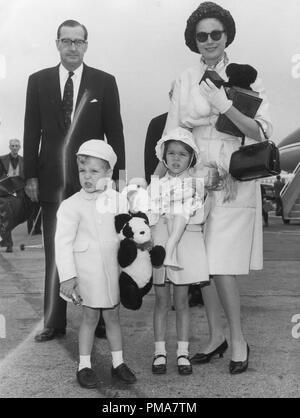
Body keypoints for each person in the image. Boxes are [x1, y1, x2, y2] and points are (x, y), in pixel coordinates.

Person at [159, 2, 273, 374]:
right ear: (194, 40)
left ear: (227, 36)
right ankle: (215, 336)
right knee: (200, 264)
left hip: (233, 177)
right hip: (195, 178)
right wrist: (160, 182)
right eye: (201, 35)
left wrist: (225, 104)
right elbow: (173, 133)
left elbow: (261, 131)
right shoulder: (184, 78)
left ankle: (238, 339)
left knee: (222, 265)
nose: (208, 41)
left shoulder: (246, 76)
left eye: (215, 34)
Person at [23, 20, 125, 342]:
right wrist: (30, 176)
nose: (72, 47)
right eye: (66, 41)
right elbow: (30, 132)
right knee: (56, 251)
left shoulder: (104, 82)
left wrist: (118, 179)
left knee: (99, 250)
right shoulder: (37, 81)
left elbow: (116, 132)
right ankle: (54, 321)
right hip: (52, 181)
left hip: (93, 183)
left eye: (78, 41)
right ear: (57, 44)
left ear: (86, 45)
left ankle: (99, 320)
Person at [55, 140, 135, 388]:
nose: (87, 177)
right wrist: (68, 277)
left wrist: (134, 269)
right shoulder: (70, 205)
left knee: (113, 316)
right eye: (82, 171)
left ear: (109, 173)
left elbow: (128, 234)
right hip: (86, 273)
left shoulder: (119, 201)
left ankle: (118, 362)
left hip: (112, 270)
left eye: (94, 171)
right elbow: (63, 243)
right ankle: (84, 365)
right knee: (89, 318)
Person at [150, 127, 211, 376]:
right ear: (163, 156)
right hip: (161, 247)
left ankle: (183, 352)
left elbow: (198, 216)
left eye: (182, 154)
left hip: (184, 248)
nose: (176, 158)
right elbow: (150, 215)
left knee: (182, 301)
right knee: (161, 301)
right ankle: (159, 351)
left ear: (191, 158)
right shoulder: (156, 185)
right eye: (171, 153)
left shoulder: (196, 185)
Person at [144, 82, 175, 184]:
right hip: (162, 187)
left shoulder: (201, 123)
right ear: (170, 96)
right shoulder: (157, 123)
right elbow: (150, 165)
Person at [0, 139, 24, 252]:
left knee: (13, 218)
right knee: (7, 216)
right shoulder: (2, 159)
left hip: (19, 192)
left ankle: (5, 241)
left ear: (20, 147)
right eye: (13, 146)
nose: (15, 148)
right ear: (9, 147)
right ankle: (8, 243)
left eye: (17, 146)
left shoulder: (24, 161)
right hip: (5, 192)